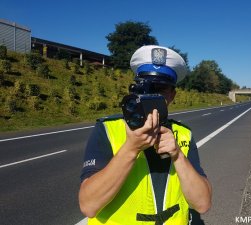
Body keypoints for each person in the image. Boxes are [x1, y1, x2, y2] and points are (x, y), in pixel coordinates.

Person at [79, 45, 212, 225]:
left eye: (161, 87)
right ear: (134, 90)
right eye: (145, 86)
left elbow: (202, 204)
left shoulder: (183, 135)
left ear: (172, 95)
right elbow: (88, 205)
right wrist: (131, 148)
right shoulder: (108, 129)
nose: (152, 94)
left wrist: (178, 155)